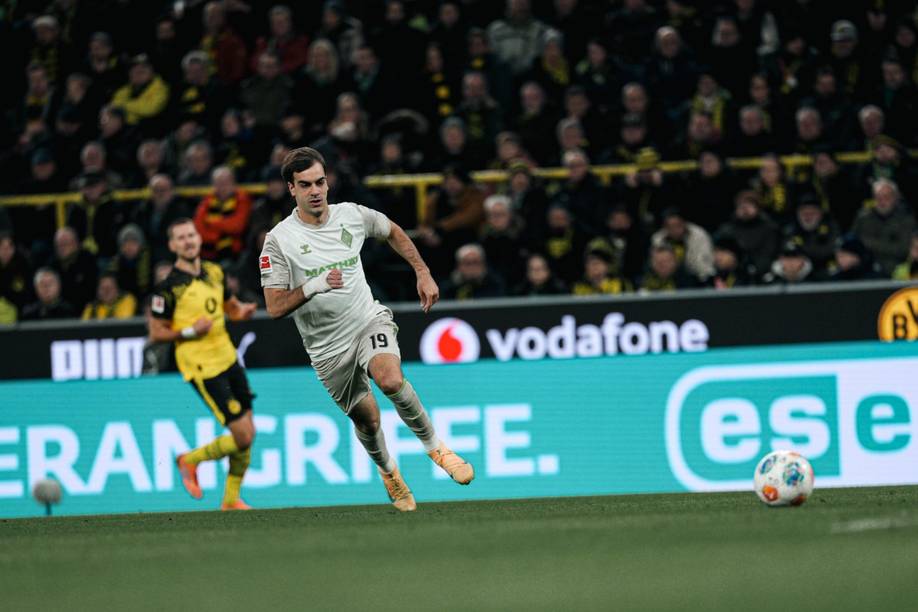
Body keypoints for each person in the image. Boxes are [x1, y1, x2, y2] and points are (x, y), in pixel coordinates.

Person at [259, 147, 474, 512]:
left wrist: (422, 271)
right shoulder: (279, 240)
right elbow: (275, 306)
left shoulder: (351, 215)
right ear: (291, 189)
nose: (316, 191)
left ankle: (437, 448)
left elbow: (391, 230)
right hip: (327, 349)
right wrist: (314, 285)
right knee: (368, 418)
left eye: (321, 182)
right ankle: (389, 472)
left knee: (389, 379)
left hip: (366, 320)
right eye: (305, 184)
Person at [147, 219, 258, 511]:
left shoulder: (214, 272)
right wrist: (188, 332)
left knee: (248, 433)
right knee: (243, 434)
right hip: (201, 367)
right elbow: (156, 333)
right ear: (172, 245)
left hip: (228, 357)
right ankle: (190, 460)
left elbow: (229, 308)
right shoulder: (167, 289)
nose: (188, 241)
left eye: (191, 235)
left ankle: (231, 500)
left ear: (198, 238)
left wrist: (242, 312)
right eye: (180, 237)